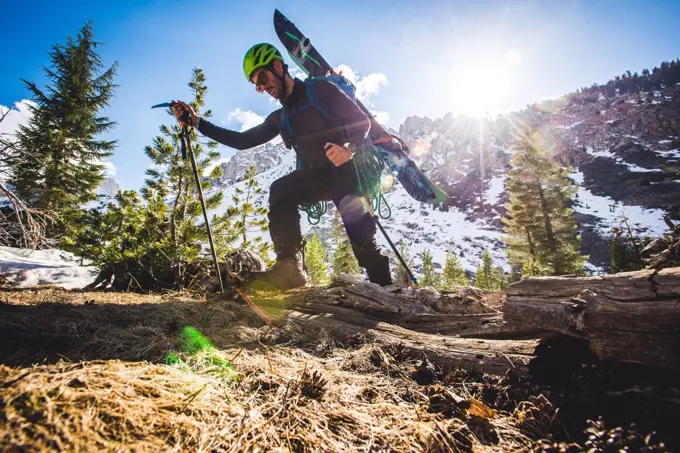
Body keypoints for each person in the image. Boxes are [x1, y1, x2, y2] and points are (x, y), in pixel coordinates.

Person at [173, 43, 392, 290]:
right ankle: (290, 268)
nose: (263, 87)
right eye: (257, 84)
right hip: (319, 177)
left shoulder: (320, 90)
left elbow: (361, 121)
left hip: (348, 175)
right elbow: (242, 141)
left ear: (278, 66)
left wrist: (348, 149)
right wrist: (196, 122)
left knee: (363, 245)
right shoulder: (281, 117)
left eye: (263, 78)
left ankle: (388, 293)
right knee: (281, 190)